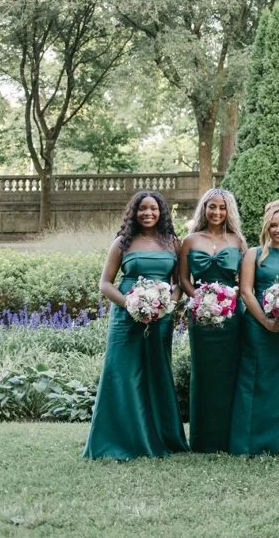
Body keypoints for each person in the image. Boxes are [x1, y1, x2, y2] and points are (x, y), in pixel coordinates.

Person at [83, 190, 189, 460]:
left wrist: (168, 305)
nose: (148, 213)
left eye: (153, 208)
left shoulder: (172, 243)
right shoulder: (122, 242)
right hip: (126, 317)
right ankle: (119, 439)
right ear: (134, 212)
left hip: (161, 318)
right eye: (142, 209)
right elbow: (105, 283)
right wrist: (130, 303)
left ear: (161, 212)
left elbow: (179, 283)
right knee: (121, 373)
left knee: (156, 372)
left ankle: (160, 437)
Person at [229, 200, 279, 456]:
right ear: (266, 227)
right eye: (273, 225)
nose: (278, 230)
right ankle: (252, 439)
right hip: (257, 324)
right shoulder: (253, 254)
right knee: (256, 379)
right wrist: (265, 320)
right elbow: (246, 291)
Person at [177, 187, 247, 453]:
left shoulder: (238, 241)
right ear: (203, 209)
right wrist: (202, 300)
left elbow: (245, 280)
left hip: (231, 317)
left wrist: (228, 300)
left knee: (230, 373)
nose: (217, 212)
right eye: (211, 206)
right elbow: (183, 279)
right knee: (204, 375)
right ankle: (203, 439)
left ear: (228, 211)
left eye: (222, 207)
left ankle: (229, 437)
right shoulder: (190, 241)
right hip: (200, 318)